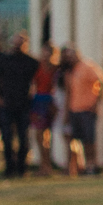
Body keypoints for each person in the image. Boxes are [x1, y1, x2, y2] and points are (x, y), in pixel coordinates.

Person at [0, 33, 38, 178]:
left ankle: (22, 168)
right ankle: (9, 167)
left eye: (20, 44)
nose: (18, 47)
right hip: (7, 104)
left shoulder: (31, 62)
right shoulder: (4, 60)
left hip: (24, 104)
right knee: (7, 137)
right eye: (15, 44)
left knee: (24, 138)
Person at [62, 46, 103, 177]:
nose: (70, 58)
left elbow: (102, 83)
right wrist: (66, 112)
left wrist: (97, 102)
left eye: (72, 55)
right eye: (68, 56)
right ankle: (77, 166)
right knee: (75, 140)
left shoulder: (87, 67)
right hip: (74, 110)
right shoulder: (70, 72)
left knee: (89, 140)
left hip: (87, 109)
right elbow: (68, 93)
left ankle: (92, 165)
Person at [29, 44, 63, 174]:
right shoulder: (37, 66)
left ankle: (48, 165)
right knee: (39, 135)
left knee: (48, 133)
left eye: (47, 53)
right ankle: (44, 164)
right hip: (38, 100)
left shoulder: (56, 69)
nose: (44, 55)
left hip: (49, 100)